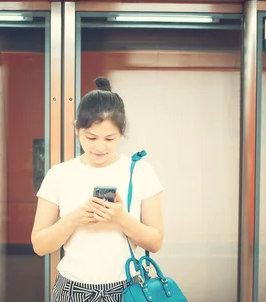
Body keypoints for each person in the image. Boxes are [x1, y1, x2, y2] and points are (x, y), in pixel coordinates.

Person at [31, 77, 165, 302]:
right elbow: (40, 245)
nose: (99, 147)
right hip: (71, 290)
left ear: (121, 133)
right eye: (91, 137)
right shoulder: (59, 174)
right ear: (77, 129)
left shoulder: (140, 172)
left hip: (127, 289)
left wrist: (121, 218)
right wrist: (74, 219)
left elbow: (155, 242)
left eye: (109, 138)